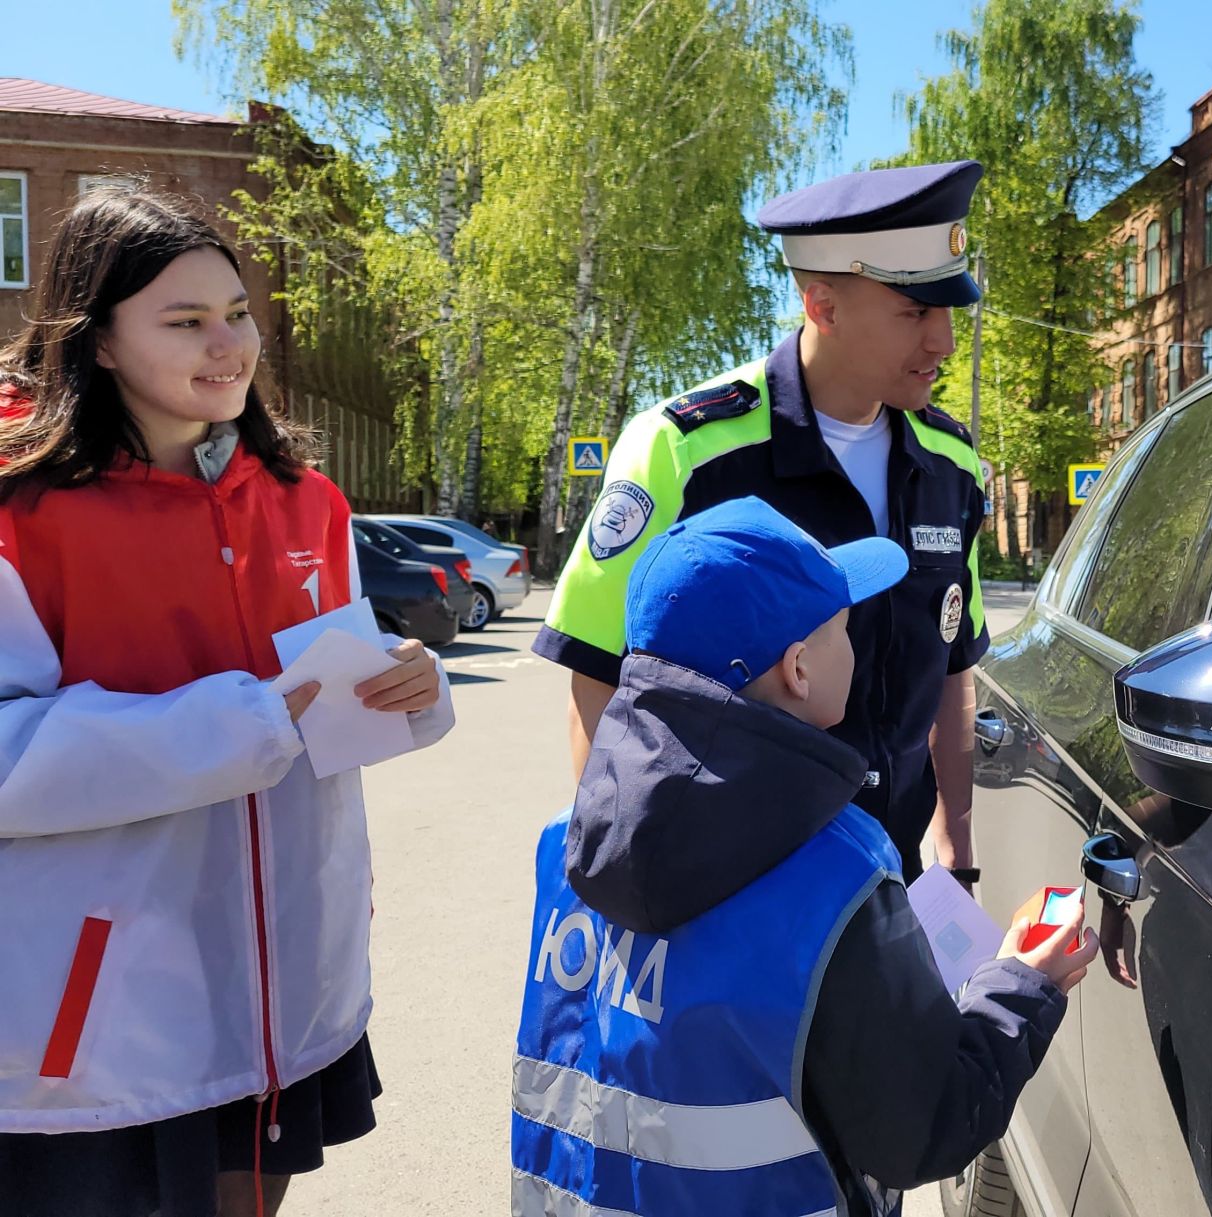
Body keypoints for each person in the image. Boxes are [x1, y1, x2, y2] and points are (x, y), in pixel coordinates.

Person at [0, 185, 455, 1217]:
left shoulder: (308, 499)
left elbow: (325, 714)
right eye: (185, 320)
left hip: (284, 997)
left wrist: (404, 686)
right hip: (94, 1026)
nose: (228, 346)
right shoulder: (21, 509)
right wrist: (244, 721)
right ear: (99, 341)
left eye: (237, 312)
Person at [514, 497, 1098, 1217]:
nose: (854, 645)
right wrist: (1022, 984)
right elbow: (922, 1129)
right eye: (843, 629)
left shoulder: (565, 845)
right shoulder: (837, 878)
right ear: (797, 668)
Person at [536, 160, 990, 885]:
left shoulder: (952, 465)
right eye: (914, 313)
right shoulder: (686, 449)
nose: (944, 341)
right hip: (728, 896)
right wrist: (625, 880)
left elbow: (952, 667)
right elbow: (598, 678)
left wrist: (956, 851)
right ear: (823, 305)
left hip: (896, 887)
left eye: (948, 312)